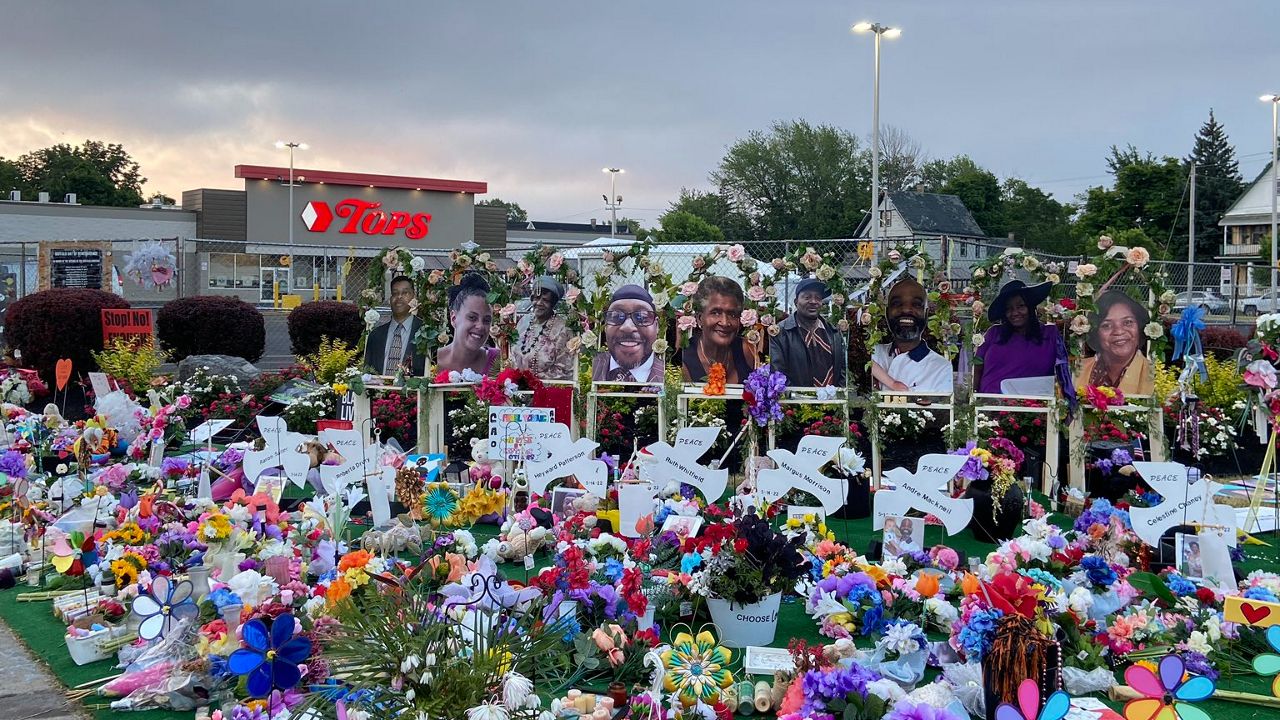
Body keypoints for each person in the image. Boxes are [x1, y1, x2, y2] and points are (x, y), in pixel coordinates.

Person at [975, 280, 1069, 395]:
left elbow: (1063, 371)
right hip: (988, 405)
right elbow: (977, 367)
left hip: (1033, 407)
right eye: (1009, 309)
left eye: (1021, 306)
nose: (1015, 313)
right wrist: (973, 399)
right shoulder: (994, 333)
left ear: (1030, 307)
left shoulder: (1050, 334)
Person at [870, 278, 953, 393]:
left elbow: (940, 408)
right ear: (887, 313)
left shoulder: (940, 368)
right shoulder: (873, 353)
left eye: (916, 305)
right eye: (897, 303)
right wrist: (891, 383)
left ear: (926, 314)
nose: (906, 309)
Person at [769, 278, 846, 387]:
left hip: (831, 400)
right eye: (807, 297)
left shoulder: (833, 333)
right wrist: (798, 400)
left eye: (818, 298)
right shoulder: (781, 333)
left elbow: (841, 371)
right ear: (796, 302)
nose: (813, 301)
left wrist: (837, 398)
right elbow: (778, 373)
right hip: (797, 401)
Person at [681, 276, 758, 384]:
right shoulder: (684, 359)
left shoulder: (746, 350)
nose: (725, 322)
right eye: (715, 313)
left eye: (732, 314)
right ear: (699, 319)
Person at [1076, 290, 1154, 396]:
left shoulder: (1156, 375)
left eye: (1128, 322)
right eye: (1107, 325)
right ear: (1095, 332)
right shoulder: (1078, 370)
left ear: (1140, 328)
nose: (1119, 331)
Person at [591, 284, 665, 383]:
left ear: (656, 326)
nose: (628, 327)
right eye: (616, 316)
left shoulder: (670, 375)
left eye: (641, 317)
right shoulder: (586, 369)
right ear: (606, 326)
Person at [510, 276, 576, 381]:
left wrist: (532, 381)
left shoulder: (563, 328)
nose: (539, 303)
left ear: (552, 304)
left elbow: (564, 370)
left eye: (545, 300)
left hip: (546, 390)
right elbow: (512, 353)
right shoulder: (524, 321)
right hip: (516, 386)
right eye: (536, 298)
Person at [437, 273, 500, 376]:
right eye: (472, 318)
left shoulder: (497, 361)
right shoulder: (432, 361)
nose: (480, 326)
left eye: (487, 320)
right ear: (453, 318)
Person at [363, 275, 426, 376]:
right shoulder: (375, 336)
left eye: (405, 293)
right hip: (379, 390)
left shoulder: (426, 333)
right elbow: (367, 372)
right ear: (390, 298)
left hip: (413, 391)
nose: (399, 297)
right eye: (395, 293)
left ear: (414, 296)